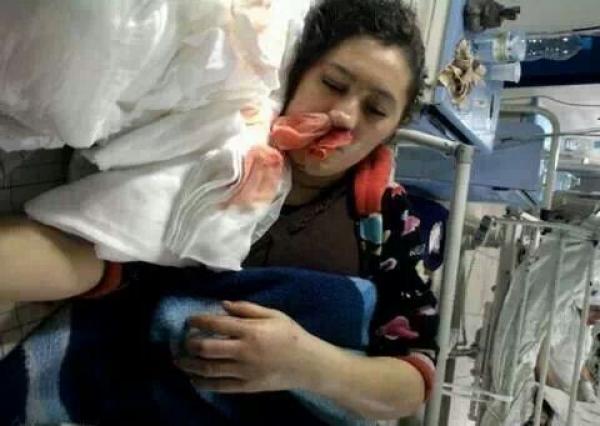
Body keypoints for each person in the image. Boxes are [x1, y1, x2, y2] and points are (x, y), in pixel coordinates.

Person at [0, 0, 438, 421]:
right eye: (334, 84)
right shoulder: (226, 143)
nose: (344, 115)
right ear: (301, 72)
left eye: (375, 110)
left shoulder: (386, 217)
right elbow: (107, 247)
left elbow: (414, 378)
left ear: (390, 132)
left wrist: (307, 363)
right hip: (130, 330)